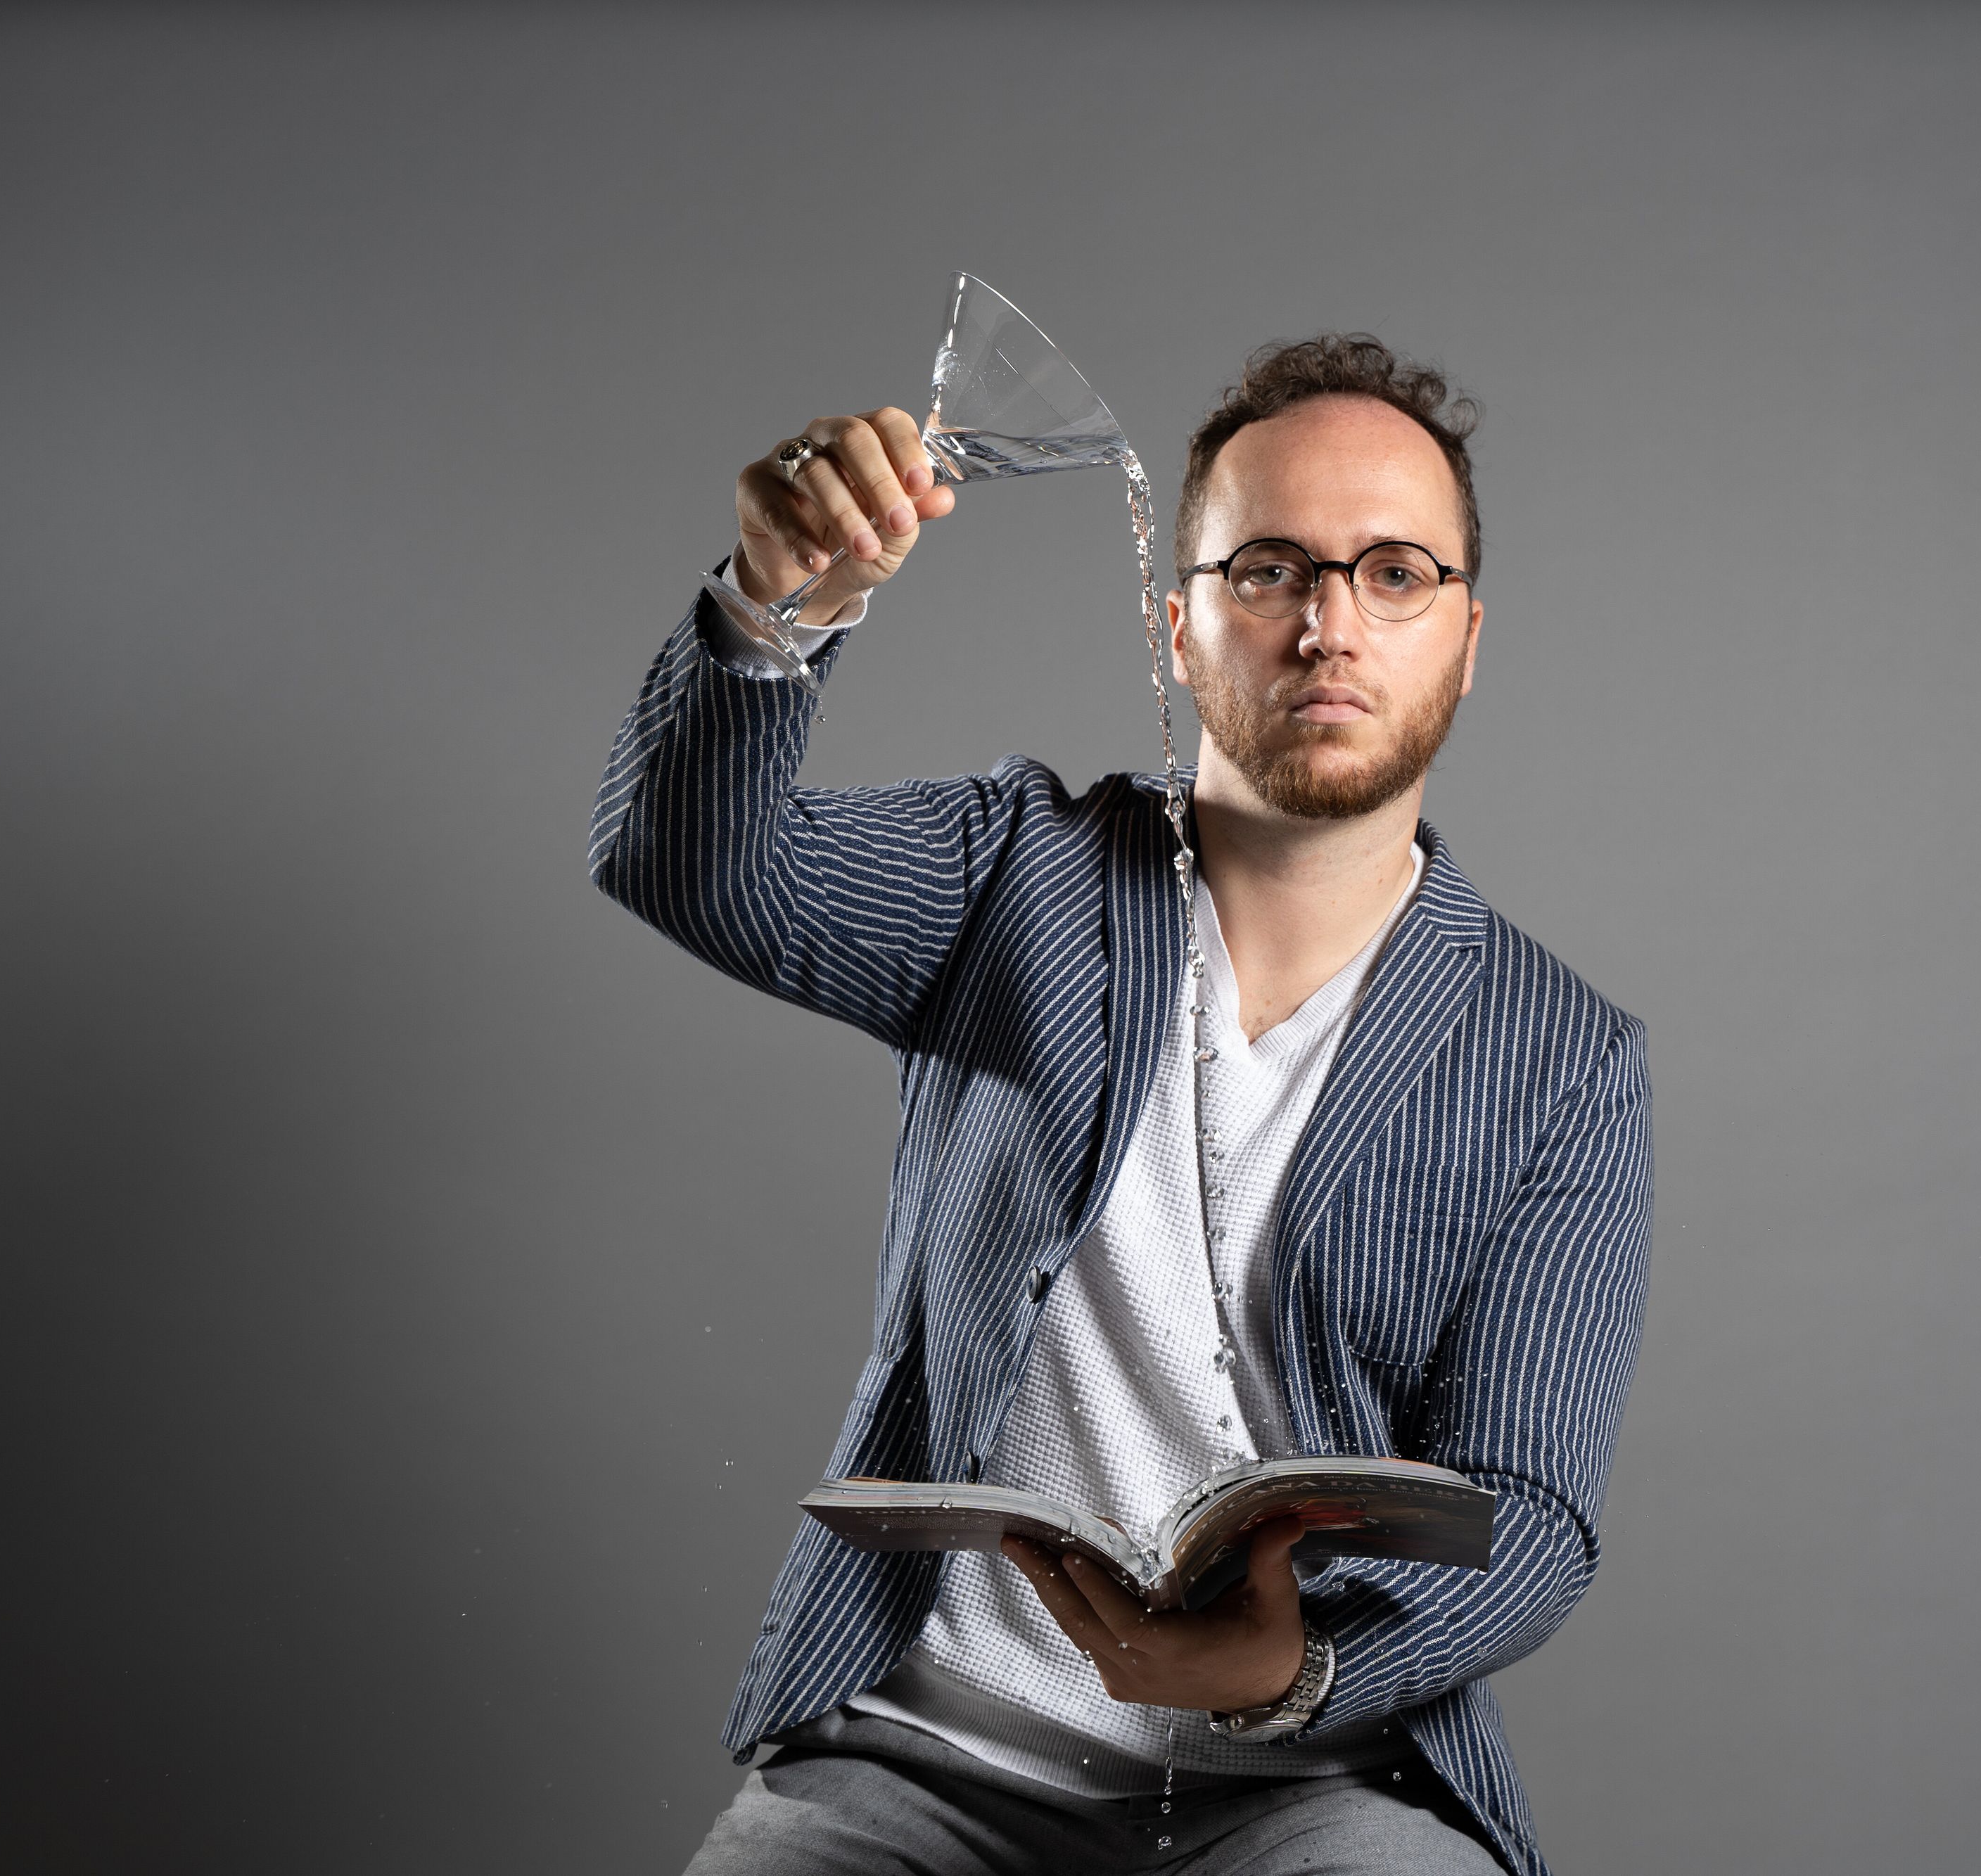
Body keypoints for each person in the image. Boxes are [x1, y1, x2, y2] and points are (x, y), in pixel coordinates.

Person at [590, 334, 1651, 1876]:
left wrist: (1292, 1668)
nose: (1328, 626)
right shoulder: (1012, 875)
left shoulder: (1559, 1055)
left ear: (1466, 635)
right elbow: (690, 864)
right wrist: (779, 598)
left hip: (1309, 1782)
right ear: (1179, 623)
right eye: (1269, 569)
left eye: (1394, 574)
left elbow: (1531, 1512)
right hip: (920, 1757)